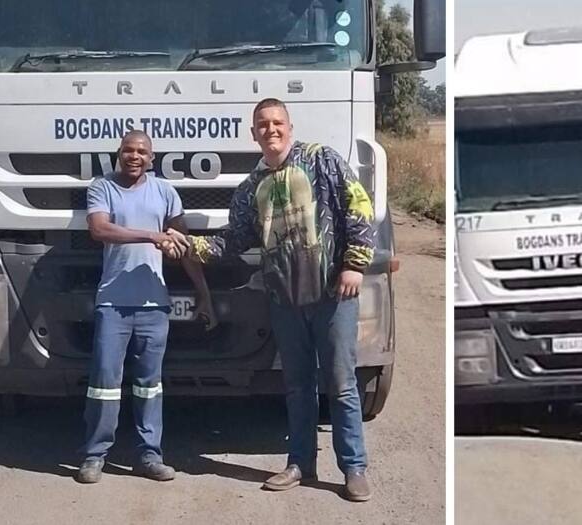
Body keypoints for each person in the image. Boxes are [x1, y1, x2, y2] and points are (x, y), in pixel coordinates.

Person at [161, 98, 376, 502]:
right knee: (296, 385)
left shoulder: (322, 160)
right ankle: (299, 464)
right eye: (263, 124)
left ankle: (354, 468)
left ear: (289, 128)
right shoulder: (249, 189)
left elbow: (357, 207)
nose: (270, 130)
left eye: (277, 122)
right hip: (284, 298)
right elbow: (233, 241)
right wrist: (189, 245)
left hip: (332, 292)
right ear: (253, 133)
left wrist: (355, 264)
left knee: (342, 384)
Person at [75, 130, 214, 484]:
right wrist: (152, 235)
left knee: (149, 385)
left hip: (155, 305)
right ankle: (94, 456)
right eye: (128, 150)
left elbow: (183, 246)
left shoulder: (165, 192)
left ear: (152, 158)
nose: (134, 156)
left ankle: (149, 455)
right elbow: (100, 230)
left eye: (141, 151)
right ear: (118, 154)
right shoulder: (102, 187)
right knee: (105, 381)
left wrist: (203, 293)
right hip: (113, 302)